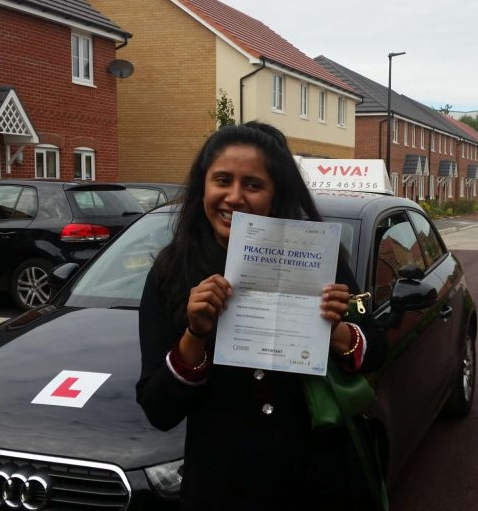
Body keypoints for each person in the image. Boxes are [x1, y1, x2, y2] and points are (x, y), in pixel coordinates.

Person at [136, 122, 386, 510]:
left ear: (275, 194)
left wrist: (334, 331)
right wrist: (195, 335)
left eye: (252, 185)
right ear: (204, 184)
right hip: (223, 487)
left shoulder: (317, 258)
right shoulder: (171, 273)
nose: (234, 197)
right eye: (222, 180)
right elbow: (158, 410)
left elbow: (376, 351)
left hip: (319, 479)